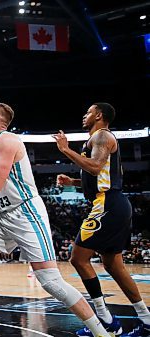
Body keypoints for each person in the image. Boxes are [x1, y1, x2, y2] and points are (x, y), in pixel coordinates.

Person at [0, 101, 112, 336]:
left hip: (26, 213)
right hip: (3, 215)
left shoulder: (7, 140)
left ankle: (101, 332)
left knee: (51, 282)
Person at [53, 103, 150, 337]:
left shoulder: (102, 136)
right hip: (113, 202)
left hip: (107, 204)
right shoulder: (98, 141)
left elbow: (95, 168)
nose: (84, 115)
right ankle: (147, 320)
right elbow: (103, 176)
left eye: (88, 112)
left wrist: (65, 150)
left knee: (77, 258)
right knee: (113, 266)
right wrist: (72, 183)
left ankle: (106, 320)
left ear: (99, 115)